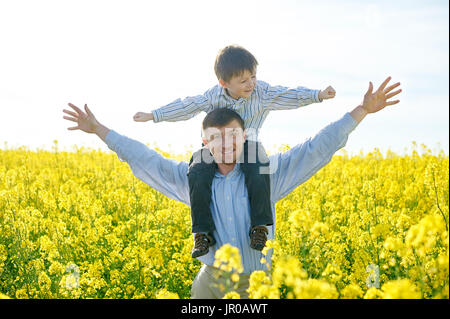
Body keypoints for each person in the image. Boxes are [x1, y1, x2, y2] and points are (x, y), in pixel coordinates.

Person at [62, 76, 401, 298]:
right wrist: (99, 130)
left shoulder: (266, 174)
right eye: (216, 138)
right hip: (211, 281)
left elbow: (317, 147)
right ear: (204, 141)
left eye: (233, 136)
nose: (225, 144)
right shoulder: (191, 178)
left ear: (244, 137)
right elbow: (145, 158)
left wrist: (361, 111)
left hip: (258, 285)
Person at [132, 45, 337, 258]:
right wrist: (153, 115)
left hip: (248, 144)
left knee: (258, 169)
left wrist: (318, 95)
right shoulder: (213, 96)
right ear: (224, 83)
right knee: (197, 171)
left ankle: (259, 228)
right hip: (214, 147)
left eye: (253, 77)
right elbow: (187, 106)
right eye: (243, 81)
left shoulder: (262, 92)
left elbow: (289, 95)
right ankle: (202, 233)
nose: (251, 84)